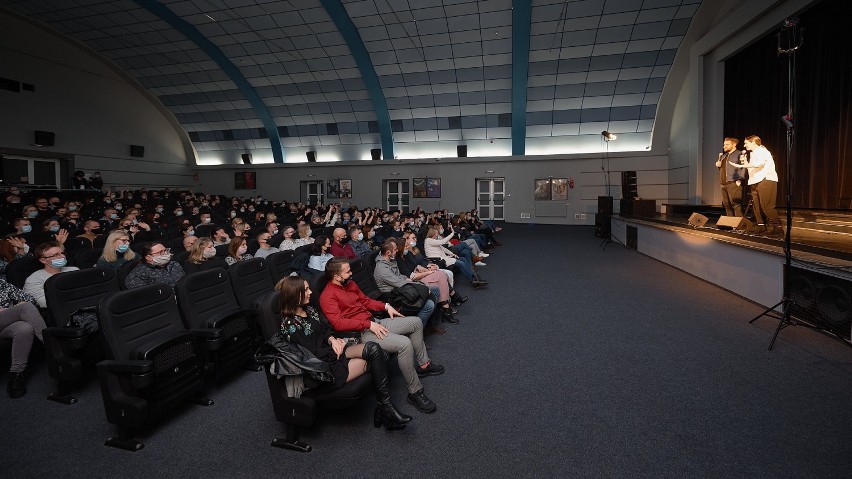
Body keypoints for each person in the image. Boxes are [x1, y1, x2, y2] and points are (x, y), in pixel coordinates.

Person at [276, 276, 411, 429]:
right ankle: (385, 409)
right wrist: (335, 347)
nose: (310, 292)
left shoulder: (310, 310)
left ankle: (383, 408)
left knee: (376, 349)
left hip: (332, 351)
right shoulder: (289, 324)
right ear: (295, 294)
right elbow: (309, 355)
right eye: (306, 289)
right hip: (323, 368)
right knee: (379, 356)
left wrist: (333, 340)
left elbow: (325, 330)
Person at [320, 257, 442, 413]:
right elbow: (338, 323)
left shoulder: (350, 284)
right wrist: (368, 324)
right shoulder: (327, 295)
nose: (351, 274)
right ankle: (415, 392)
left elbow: (365, 301)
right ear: (336, 276)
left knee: (416, 322)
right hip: (361, 333)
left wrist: (386, 306)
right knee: (404, 344)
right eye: (347, 272)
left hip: (373, 322)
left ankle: (424, 365)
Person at [373, 239, 439, 331]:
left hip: (402, 290)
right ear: (388, 252)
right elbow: (399, 283)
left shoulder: (390, 260)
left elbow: (400, 276)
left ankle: (429, 324)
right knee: (429, 304)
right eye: (395, 249)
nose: (397, 251)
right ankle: (417, 329)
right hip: (395, 296)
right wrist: (420, 286)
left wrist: (409, 280)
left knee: (435, 290)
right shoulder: (382, 269)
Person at [0, 277, 45, 398]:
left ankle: (16, 374)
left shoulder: (1, 283)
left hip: (5, 324)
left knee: (24, 328)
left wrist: (15, 306)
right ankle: (51, 345)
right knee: (26, 308)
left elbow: (29, 298)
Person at [738, 135, 781, 236]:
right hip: (755, 180)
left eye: (746, 143)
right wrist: (744, 161)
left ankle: (777, 228)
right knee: (757, 206)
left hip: (766, 179)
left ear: (753, 142)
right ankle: (761, 225)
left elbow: (759, 164)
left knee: (767, 205)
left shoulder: (763, 151)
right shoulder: (753, 153)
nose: (744, 146)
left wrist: (742, 165)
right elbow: (752, 168)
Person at [23, 241, 79, 309]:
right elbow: (42, 302)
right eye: (56, 255)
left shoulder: (74, 270)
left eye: (62, 253)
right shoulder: (34, 279)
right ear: (43, 260)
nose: (62, 256)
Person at [715, 137, 746, 217]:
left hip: (733, 182)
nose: (724, 146)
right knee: (727, 204)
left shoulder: (739, 154)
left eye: (727, 144)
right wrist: (718, 166)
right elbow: (724, 169)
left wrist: (740, 178)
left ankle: (739, 225)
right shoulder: (723, 156)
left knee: (736, 204)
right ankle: (730, 223)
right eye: (724, 144)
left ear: (734, 144)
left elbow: (744, 167)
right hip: (723, 183)